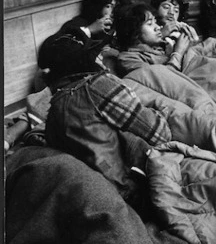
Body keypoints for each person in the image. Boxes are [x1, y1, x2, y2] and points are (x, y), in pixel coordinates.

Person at [37, 23, 171, 214]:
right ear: (83, 61)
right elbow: (160, 133)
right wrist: (160, 110)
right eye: (93, 54)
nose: (99, 58)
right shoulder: (97, 87)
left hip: (95, 201)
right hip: (131, 195)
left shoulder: (54, 109)